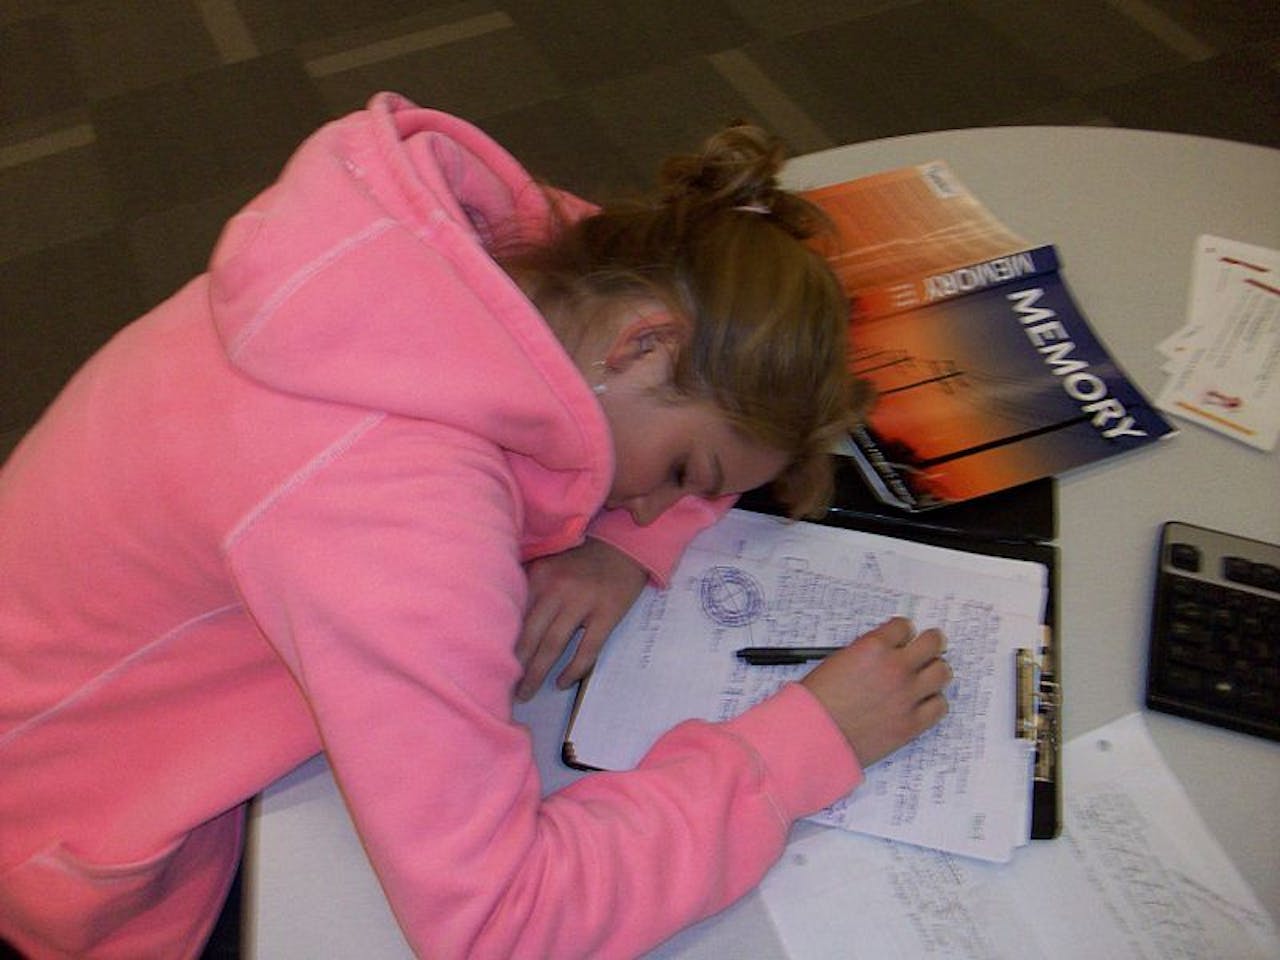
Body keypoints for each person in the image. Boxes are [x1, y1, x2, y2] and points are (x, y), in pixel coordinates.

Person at [0, 92, 950, 959]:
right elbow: (500, 918)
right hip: (73, 839)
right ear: (642, 344)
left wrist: (622, 544)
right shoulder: (388, 509)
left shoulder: (534, 258)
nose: (664, 507)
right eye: (678, 474)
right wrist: (802, 748)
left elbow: (692, 431)